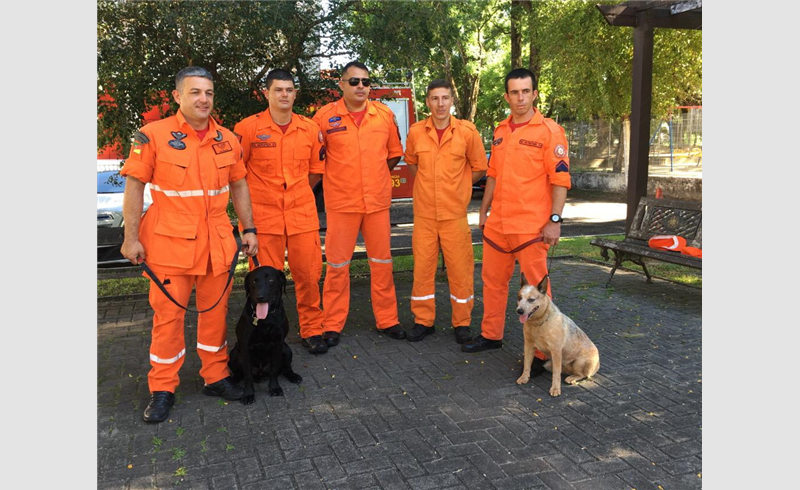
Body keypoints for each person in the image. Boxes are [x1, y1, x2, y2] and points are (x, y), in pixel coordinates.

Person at [120, 66, 259, 423]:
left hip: (216, 242)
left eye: (209, 92)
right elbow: (135, 186)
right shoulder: (152, 136)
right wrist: (130, 238)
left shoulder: (227, 138)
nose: (203, 99)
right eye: (195, 92)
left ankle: (215, 377)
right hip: (168, 244)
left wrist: (249, 229)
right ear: (177, 96)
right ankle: (163, 387)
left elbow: (240, 185)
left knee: (215, 315)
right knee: (168, 319)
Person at [462, 68, 571, 364]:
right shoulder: (500, 131)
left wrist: (555, 221)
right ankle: (490, 335)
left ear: (534, 94)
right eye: (514, 92)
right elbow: (493, 176)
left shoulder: (550, 131)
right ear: (507, 96)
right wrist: (483, 212)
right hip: (498, 224)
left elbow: (560, 181)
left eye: (526, 91)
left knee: (538, 293)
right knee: (493, 283)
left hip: (532, 227)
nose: (520, 97)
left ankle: (541, 352)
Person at [233, 69, 328, 355]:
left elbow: (314, 173)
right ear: (266, 93)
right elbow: (237, 176)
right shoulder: (248, 129)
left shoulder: (310, 129)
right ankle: (265, 332)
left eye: (289, 90)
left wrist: (294, 196)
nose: (284, 94)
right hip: (263, 220)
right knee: (263, 283)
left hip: (301, 217)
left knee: (309, 276)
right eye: (278, 90)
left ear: (295, 93)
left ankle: (312, 330)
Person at [312, 61, 407, 344]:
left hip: (376, 203)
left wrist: (373, 176)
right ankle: (332, 324)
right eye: (354, 81)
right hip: (342, 204)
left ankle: (387, 320)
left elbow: (392, 155)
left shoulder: (384, 115)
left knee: (382, 263)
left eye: (366, 82)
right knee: (338, 267)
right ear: (341, 84)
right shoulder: (324, 117)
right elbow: (317, 160)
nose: (361, 87)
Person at [403, 79, 487, 344]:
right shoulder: (416, 132)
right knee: (422, 270)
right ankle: (423, 321)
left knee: (461, 270)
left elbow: (480, 167)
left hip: (454, 215)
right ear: (427, 102)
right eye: (435, 98)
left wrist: (459, 188)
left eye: (445, 98)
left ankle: (462, 323)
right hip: (425, 215)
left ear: (452, 101)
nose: (440, 104)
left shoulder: (467, 131)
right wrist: (431, 187)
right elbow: (413, 165)